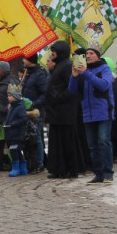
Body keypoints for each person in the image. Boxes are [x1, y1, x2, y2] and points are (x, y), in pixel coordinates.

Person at [70, 41, 115, 183]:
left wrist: (86, 73)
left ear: (97, 56)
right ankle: (98, 174)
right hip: (88, 113)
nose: (88, 56)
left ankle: (108, 173)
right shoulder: (83, 70)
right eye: (87, 53)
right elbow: (72, 90)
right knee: (92, 146)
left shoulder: (104, 68)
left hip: (103, 112)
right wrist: (74, 76)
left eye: (91, 53)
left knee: (103, 142)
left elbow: (103, 85)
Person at [43, 40, 82, 179]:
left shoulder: (66, 66)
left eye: (54, 51)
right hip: (57, 111)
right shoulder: (60, 65)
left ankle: (67, 169)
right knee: (57, 142)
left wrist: (58, 96)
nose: (52, 54)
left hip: (64, 111)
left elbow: (72, 87)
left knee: (65, 142)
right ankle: (59, 168)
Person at [21, 54, 49, 170]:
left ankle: (39, 163)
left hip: (35, 111)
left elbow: (45, 93)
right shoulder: (28, 73)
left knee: (36, 137)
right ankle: (31, 162)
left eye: (24, 58)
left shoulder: (39, 74)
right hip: (27, 111)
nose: (23, 61)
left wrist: (34, 104)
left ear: (30, 60)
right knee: (29, 137)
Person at [3, 83, 28, 176]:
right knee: (16, 151)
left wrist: (12, 124)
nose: (8, 97)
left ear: (16, 96)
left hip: (17, 133)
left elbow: (23, 119)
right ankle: (22, 168)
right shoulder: (12, 106)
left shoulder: (20, 106)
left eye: (10, 95)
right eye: (8, 95)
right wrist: (5, 123)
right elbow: (9, 117)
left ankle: (16, 168)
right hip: (11, 133)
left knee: (14, 150)